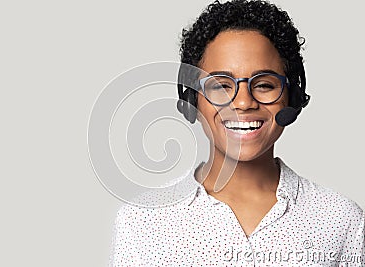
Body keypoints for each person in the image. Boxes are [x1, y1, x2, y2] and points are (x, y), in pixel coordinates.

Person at [109, 0, 365, 266]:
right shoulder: (141, 220)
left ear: (292, 97)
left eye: (264, 85)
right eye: (221, 85)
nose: (243, 103)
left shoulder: (342, 220)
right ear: (192, 100)